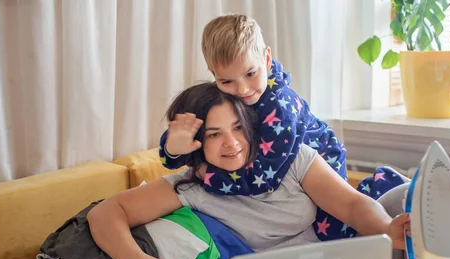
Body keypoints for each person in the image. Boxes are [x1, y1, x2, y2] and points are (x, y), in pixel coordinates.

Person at [90, 82, 410, 259]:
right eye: (215, 134)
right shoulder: (191, 186)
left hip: (338, 255)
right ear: (197, 143)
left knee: (407, 195)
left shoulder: (291, 159)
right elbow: (106, 212)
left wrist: (385, 229)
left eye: (237, 128)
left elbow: (352, 205)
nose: (231, 143)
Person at [158, 14, 407, 242]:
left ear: (266, 59)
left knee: (334, 228)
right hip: (285, 164)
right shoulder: (225, 98)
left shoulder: (281, 106)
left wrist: (209, 176)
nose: (243, 89)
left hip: (319, 155)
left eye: (250, 74)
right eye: (227, 80)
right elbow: (184, 136)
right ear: (214, 75)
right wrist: (172, 148)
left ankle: (383, 186)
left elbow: (265, 175)